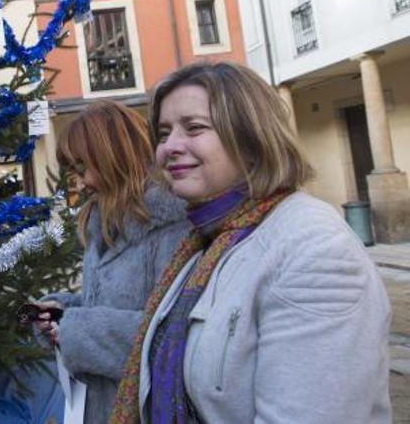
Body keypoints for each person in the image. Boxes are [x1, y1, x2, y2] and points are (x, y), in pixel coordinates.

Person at [110, 62, 392, 423]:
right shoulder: (203, 243)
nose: (170, 147)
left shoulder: (314, 247)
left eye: (194, 128)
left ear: (251, 139)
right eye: (163, 134)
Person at [33, 101, 190, 424]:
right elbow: (110, 306)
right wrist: (61, 310)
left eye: (82, 169)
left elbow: (175, 341)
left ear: (112, 158)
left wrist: (73, 327)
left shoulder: (173, 230)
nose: (79, 184)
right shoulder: (104, 224)